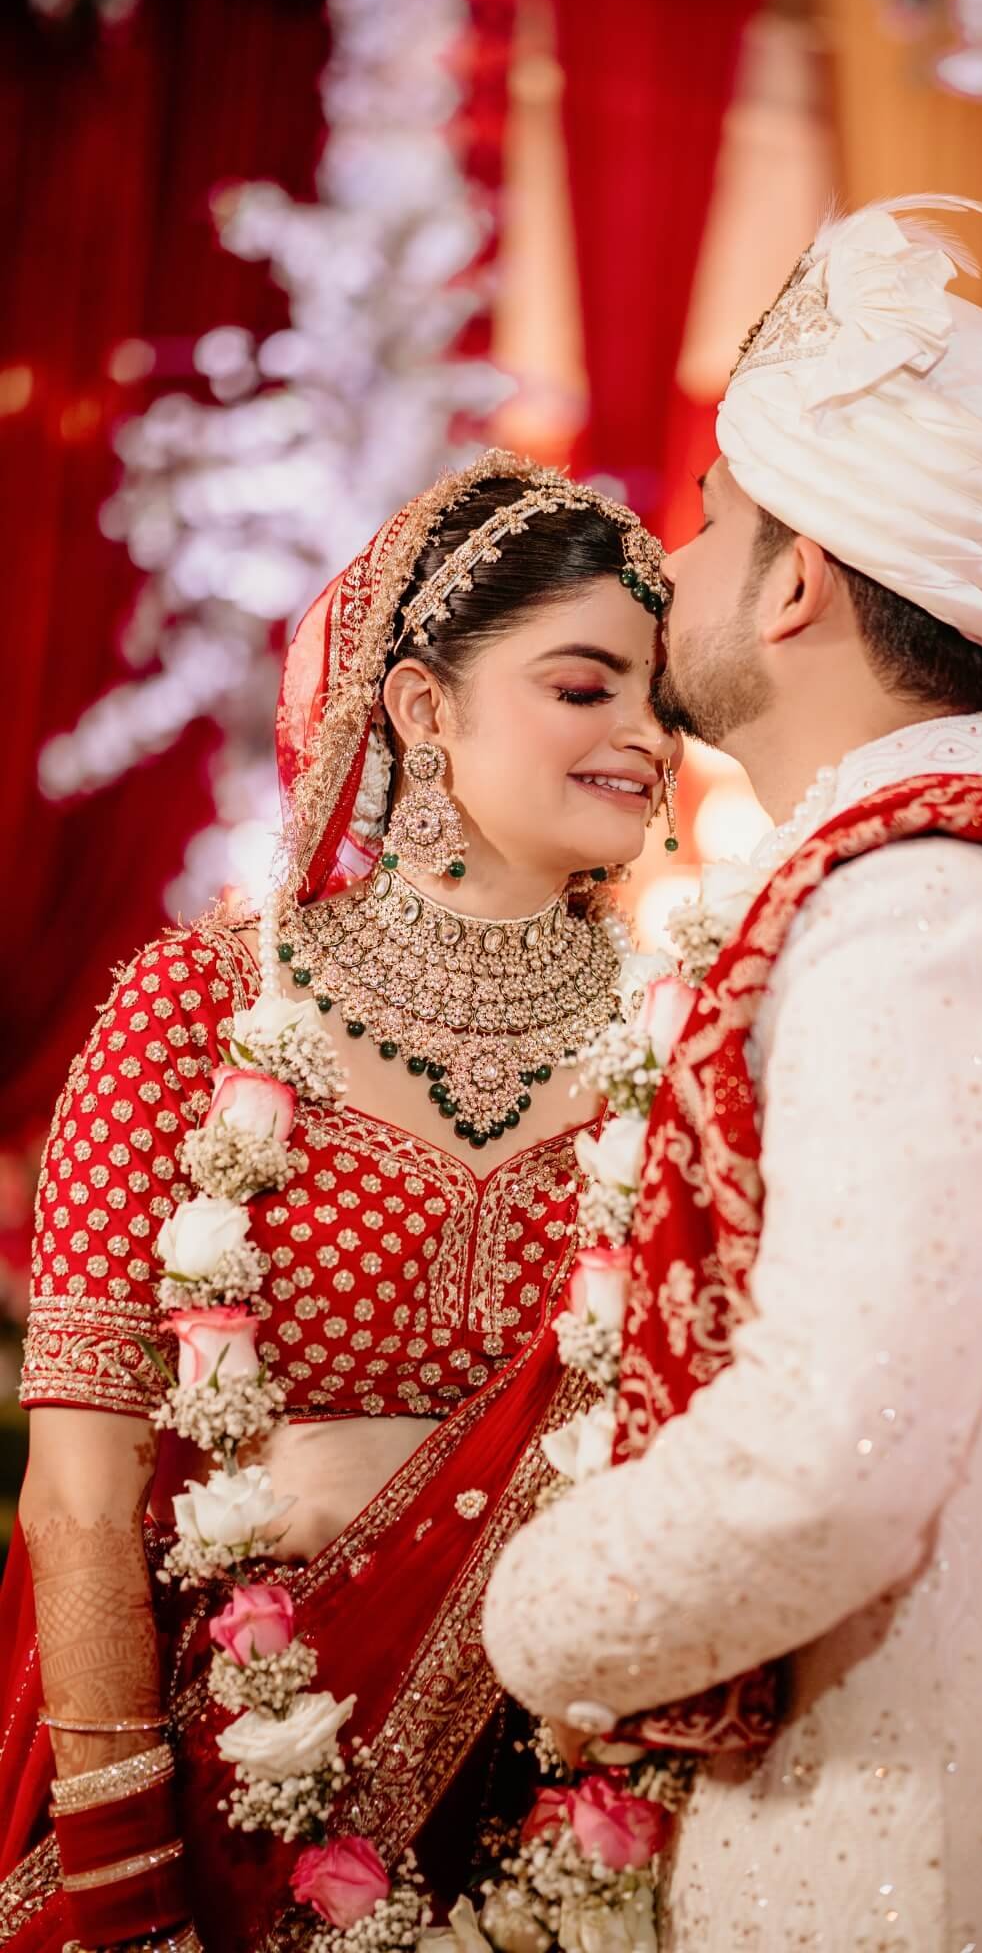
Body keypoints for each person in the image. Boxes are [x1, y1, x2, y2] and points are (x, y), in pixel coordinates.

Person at [482, 205, 982, 1950]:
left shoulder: (916, 913)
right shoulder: (941, 876)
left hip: (917, 1875)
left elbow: (823, 1470)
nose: (673, 565)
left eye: (710, 520)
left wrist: (524, 1618)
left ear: (796, 583)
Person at [0, 450, 679, 1953]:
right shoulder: (201, 1007)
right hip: (223, 1792)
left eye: (664, 699)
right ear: (424, 707)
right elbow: (81, 1485)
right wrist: (121, 1871)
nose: (647, 736)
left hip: (585, 1817)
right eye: (587, 688)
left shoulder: (685, 1040)